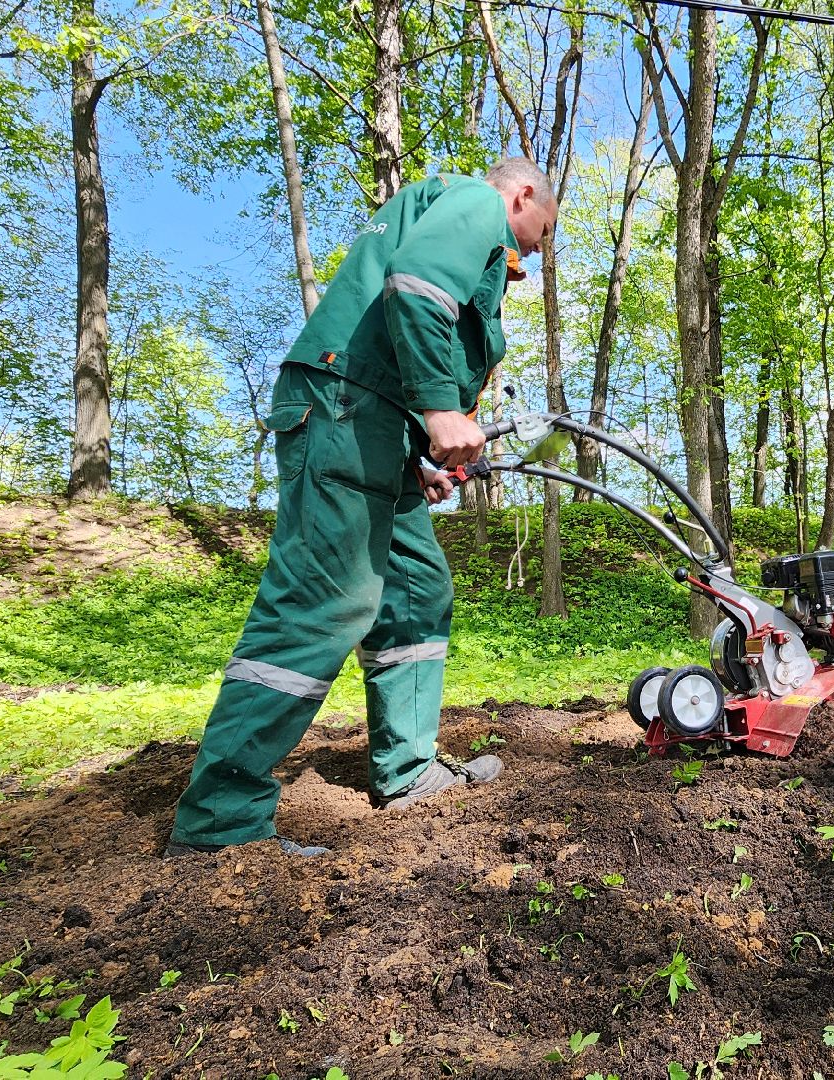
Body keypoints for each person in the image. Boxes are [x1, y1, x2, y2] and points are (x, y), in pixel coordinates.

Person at [165, 159, 558, 858]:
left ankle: (406, 773)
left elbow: (399, 326)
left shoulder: (448, 211)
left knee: (414, 592)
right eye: (540, 234)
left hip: (371, 422)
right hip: (342, 411)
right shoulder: (475, 202)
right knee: (326, 598)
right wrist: (440, 409)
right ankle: (220, 827)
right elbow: (416, 289)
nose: (532, 253)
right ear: (523, 194)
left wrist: (415, 453)